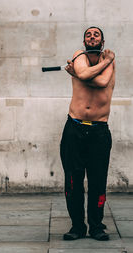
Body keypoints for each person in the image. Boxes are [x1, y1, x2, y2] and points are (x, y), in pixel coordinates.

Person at [60, 26, 115, 241]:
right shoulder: (79, 56)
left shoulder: (109, 61)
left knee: (97, 181)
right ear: (84, 41)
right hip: (74, 128)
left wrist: (81, 74)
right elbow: (84, 73)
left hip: (99, 131)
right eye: (88, 34)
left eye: (96, 34)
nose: (92, 37)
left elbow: (101, 82)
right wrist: (101, 64)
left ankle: (96, 226)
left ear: (102, 40)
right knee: (73, 181)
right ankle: (77, 226)